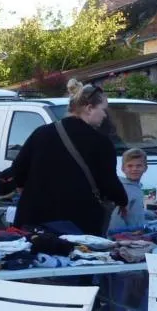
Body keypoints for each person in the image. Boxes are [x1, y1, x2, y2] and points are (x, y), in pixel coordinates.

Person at [11, 79, 128, 236]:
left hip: (34, 222)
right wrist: (122, 200)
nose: (105, 115)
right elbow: (109, 183)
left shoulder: (41, 133)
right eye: (103, 109)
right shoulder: (101, 143)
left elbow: (17, 171)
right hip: (78, 225)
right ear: (89, 108)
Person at [112, 148, 151, 229]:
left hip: (136, 232)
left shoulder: (136, 187)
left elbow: (133, 213)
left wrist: (150, 214)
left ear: (145, 168)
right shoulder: (120, 189)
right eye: (130, 166)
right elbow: (116, 220)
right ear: (123, 169)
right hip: (125, 234)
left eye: (139, 166)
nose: (134, 169)